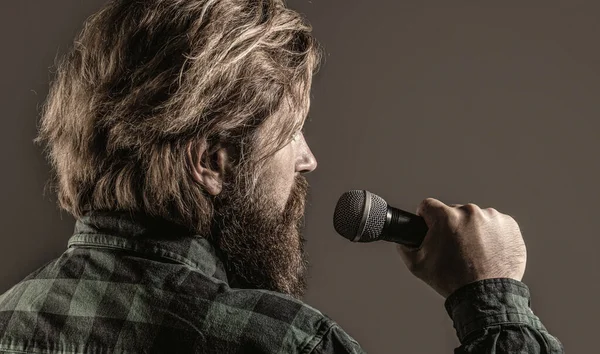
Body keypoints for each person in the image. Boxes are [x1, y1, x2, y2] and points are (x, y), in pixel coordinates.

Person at [0, 0, 564, 353]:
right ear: (212, 163)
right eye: (292, 130)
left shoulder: (9, 320)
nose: (308, 159)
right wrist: (492, 302)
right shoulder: (285, 343)